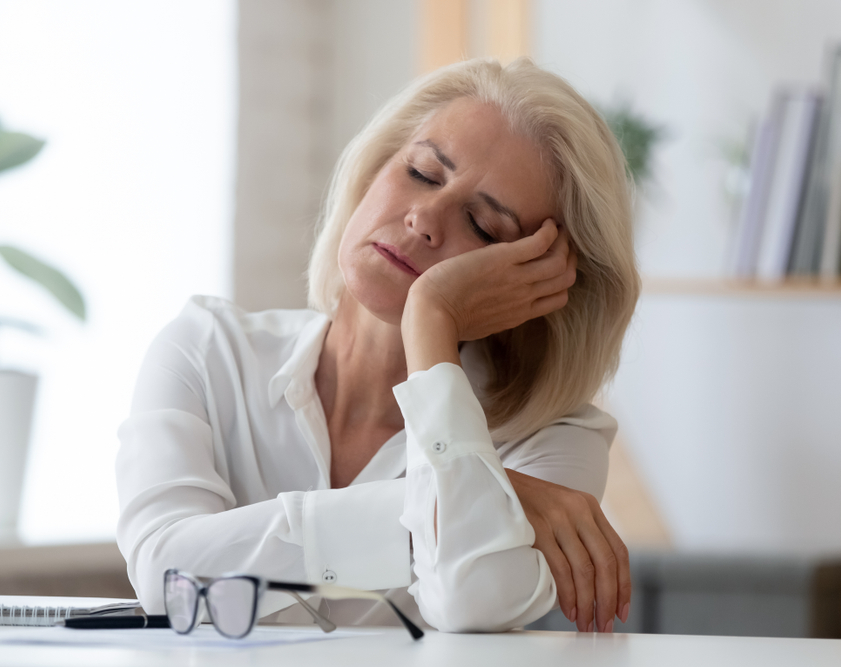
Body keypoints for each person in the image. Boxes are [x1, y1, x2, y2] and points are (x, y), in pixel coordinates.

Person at [116, 57, 640, 634]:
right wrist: (479, 499)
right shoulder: (207, 351)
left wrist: (432, 316)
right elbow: (167, 575)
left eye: (486, 228)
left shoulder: (554, 441)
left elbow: (471, 600)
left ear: (542, 285)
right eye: (421, 172)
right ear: (374, 168)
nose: (425, 219)